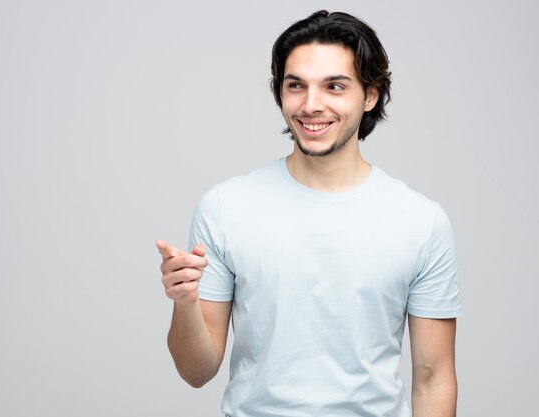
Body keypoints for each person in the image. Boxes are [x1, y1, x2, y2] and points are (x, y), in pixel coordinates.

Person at [156, 10, 462, 417]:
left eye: (334, 86)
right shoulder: (225, 207)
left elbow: (433, 377)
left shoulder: (421, 222)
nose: (310, 105)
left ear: (370, 95)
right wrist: (184, 302)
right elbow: (196, 371)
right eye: (295, 86)